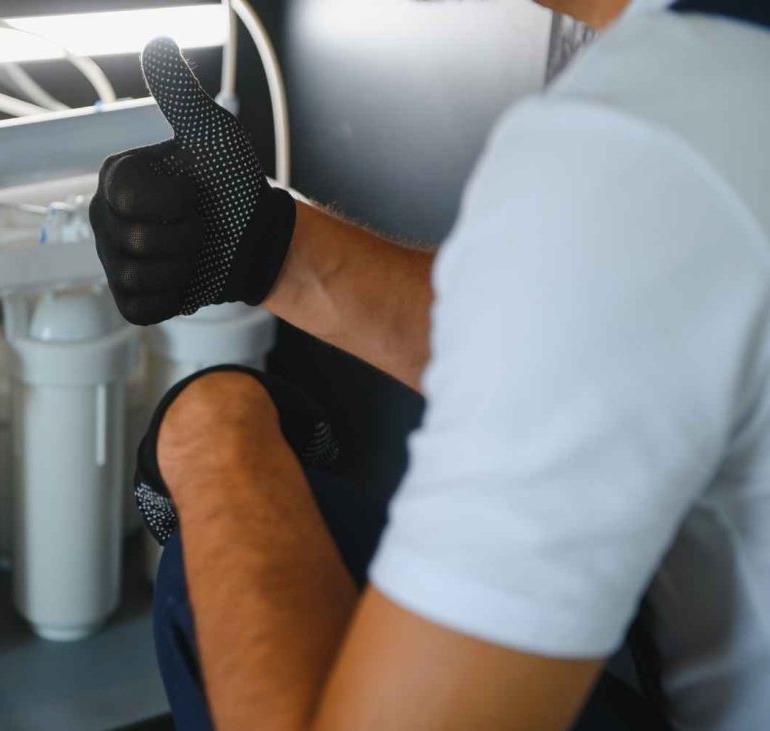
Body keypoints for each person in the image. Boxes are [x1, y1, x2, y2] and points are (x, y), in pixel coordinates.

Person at [89, 0, 770, 728]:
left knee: (215, 555)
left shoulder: (645, 139)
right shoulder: (719, 85)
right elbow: (608, 340)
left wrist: (212, 435)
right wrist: (270, 247)